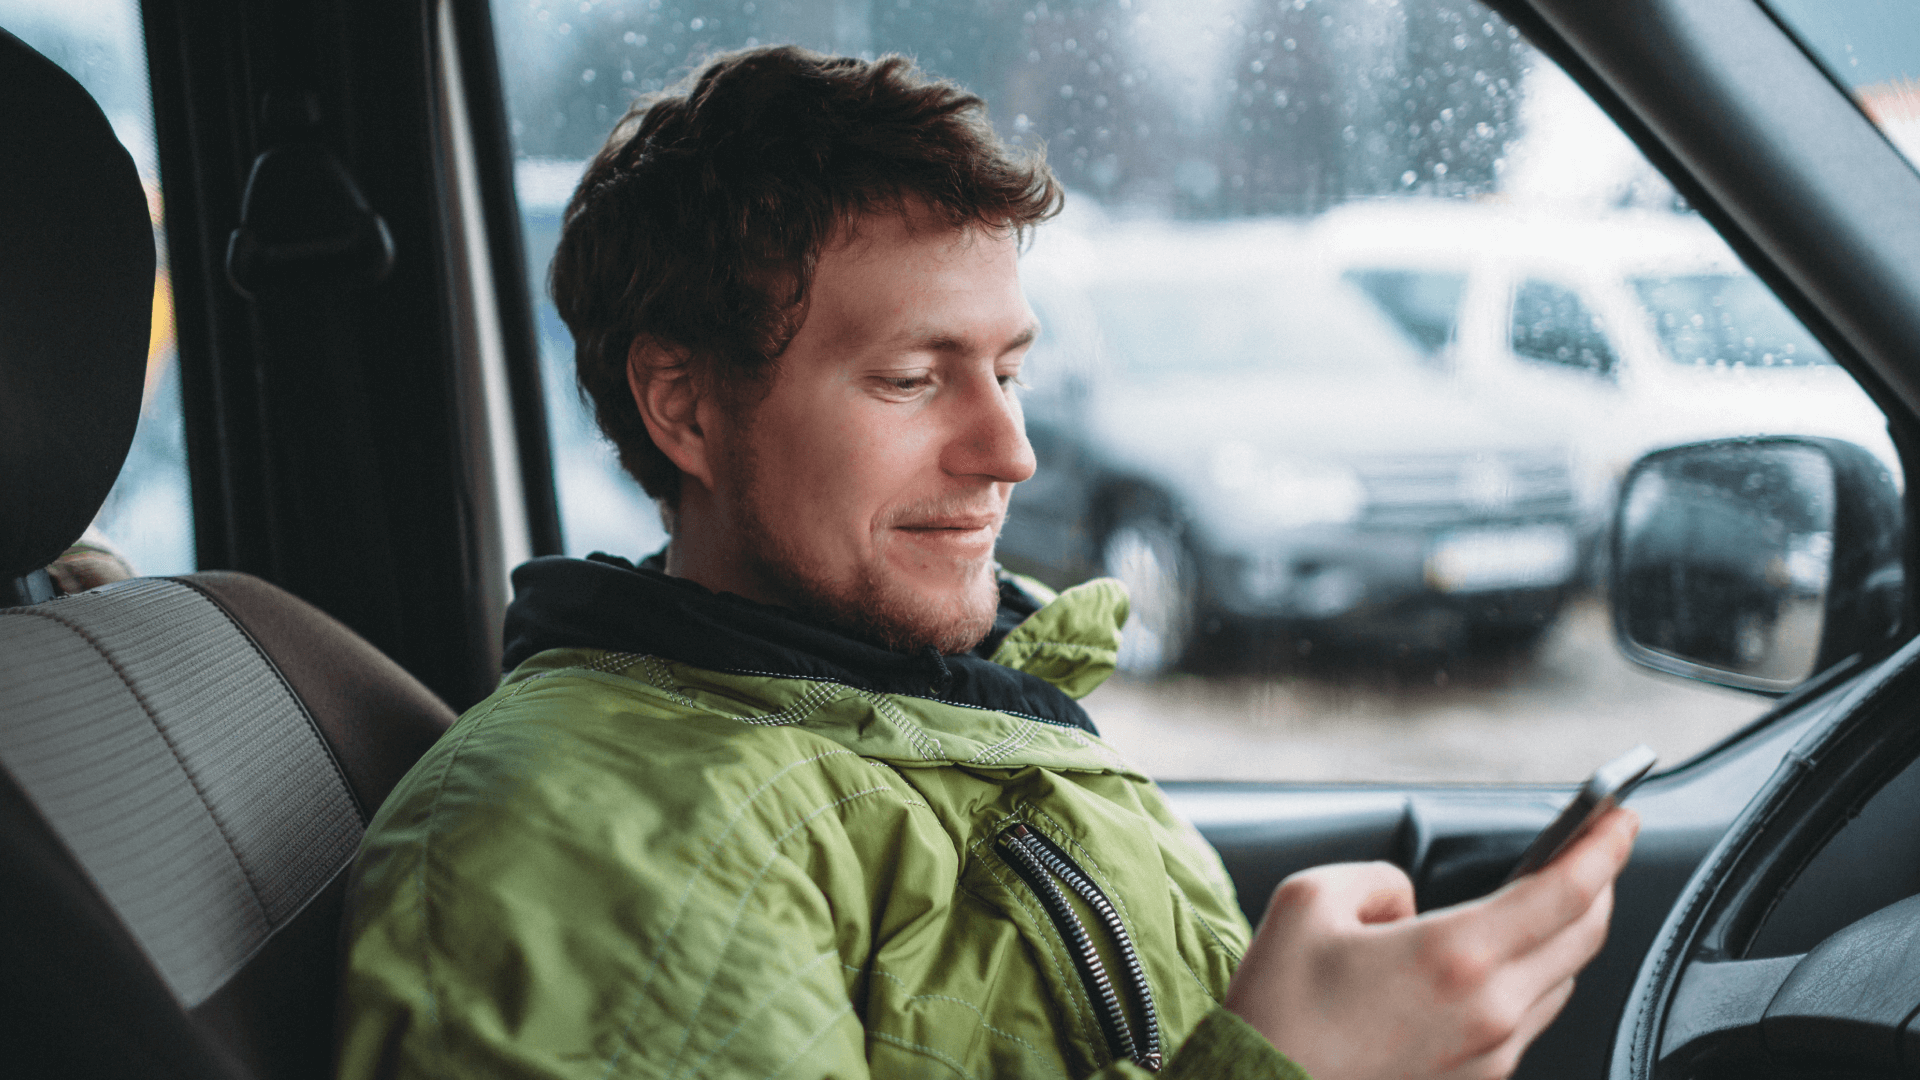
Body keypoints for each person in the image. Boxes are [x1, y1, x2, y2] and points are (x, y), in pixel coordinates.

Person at [334, 46, 1636, 1080]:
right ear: (683, 408)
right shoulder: (582, 847)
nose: (1009, 452)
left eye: (1009, 370)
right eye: (912, 379)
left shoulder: (940, 710)